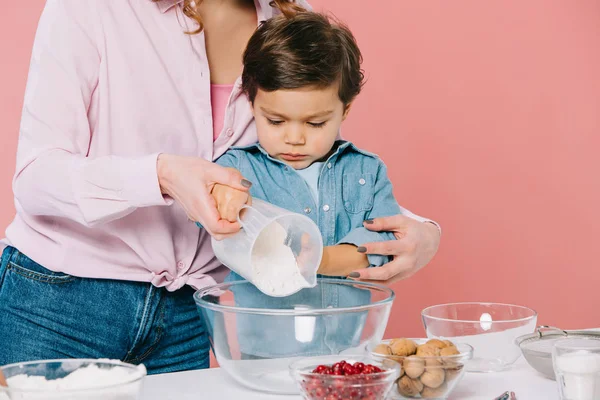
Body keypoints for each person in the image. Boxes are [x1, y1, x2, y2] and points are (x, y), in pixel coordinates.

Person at [0, 0, 439, 374]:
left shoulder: (291, 22)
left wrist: (424, 230)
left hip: (192, 314)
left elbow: (320, 170)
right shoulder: (96, 9)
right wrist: (163, 175)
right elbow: (36, 178)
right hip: (61, 303)